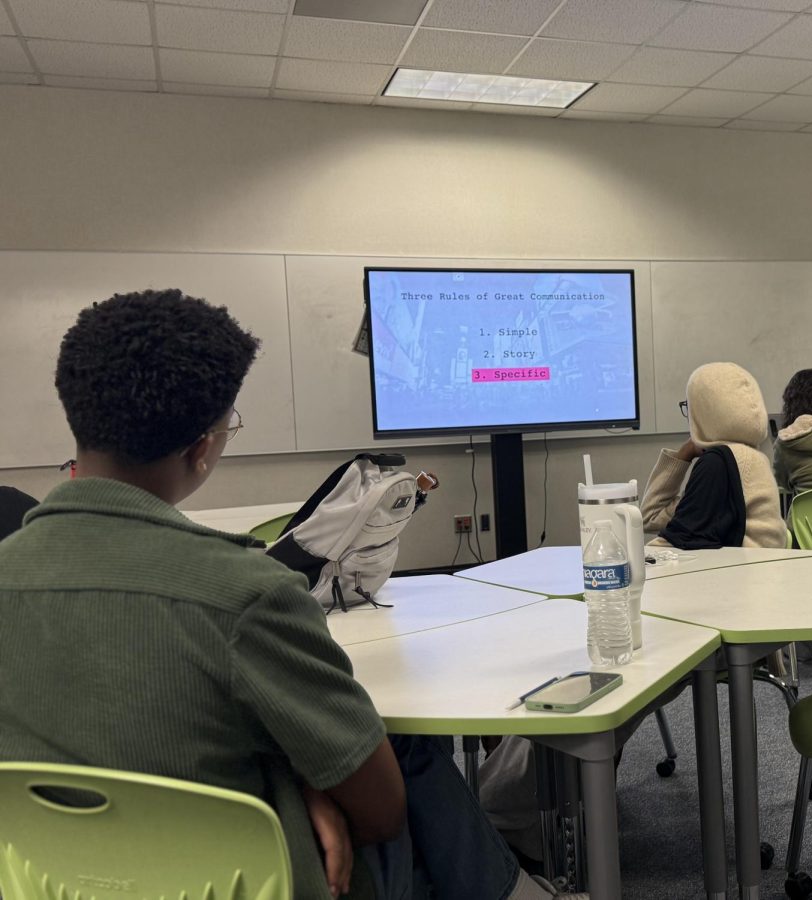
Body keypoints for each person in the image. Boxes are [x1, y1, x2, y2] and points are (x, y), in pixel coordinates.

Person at [0, 289, 580, 900]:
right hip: (253, 881)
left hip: (49, 880)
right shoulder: (246, 595)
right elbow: (381, 813)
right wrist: (306, 791)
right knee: (402, 750)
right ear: (203, 447)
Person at [642, 361, 788, 549]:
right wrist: (684, 454)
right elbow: (652, 517)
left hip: (741, 574)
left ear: (705, 411)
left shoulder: (719, 464)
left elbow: (680, 538)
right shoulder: (751, 459)